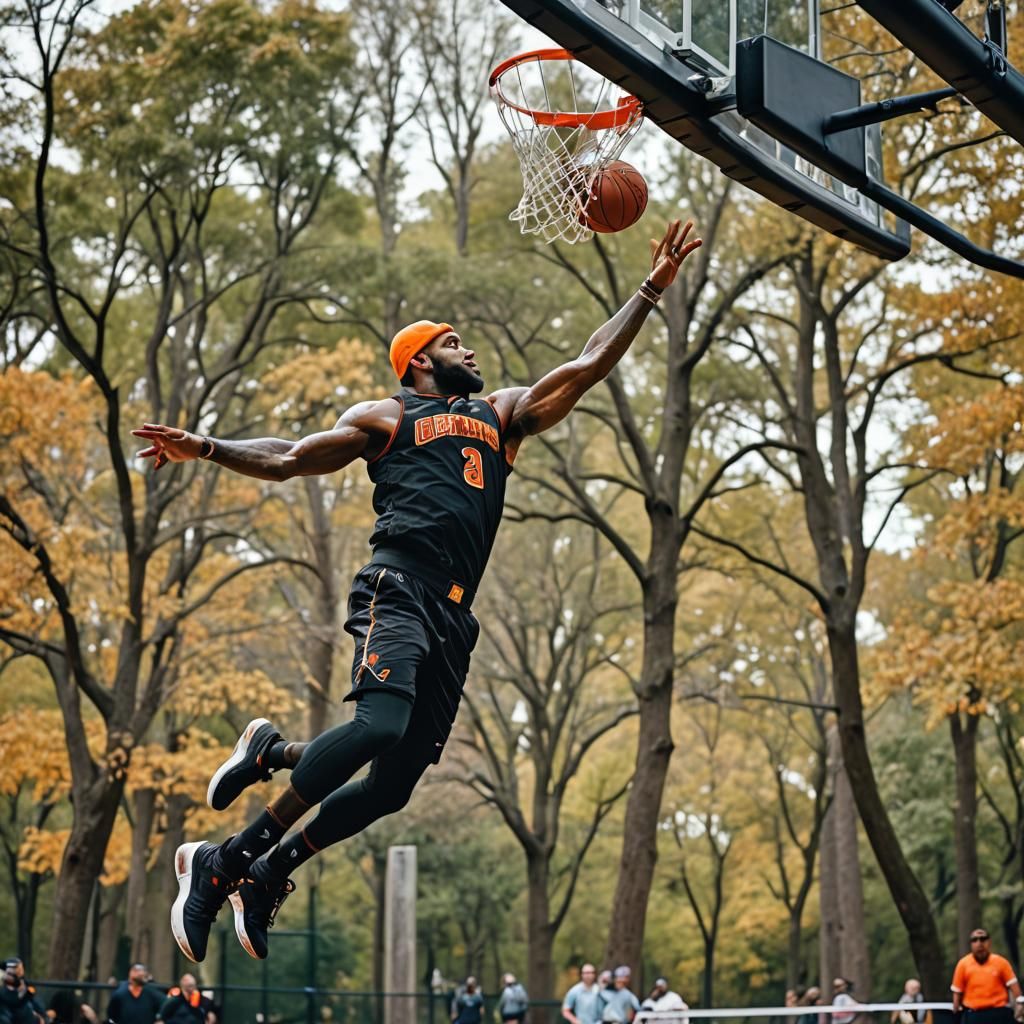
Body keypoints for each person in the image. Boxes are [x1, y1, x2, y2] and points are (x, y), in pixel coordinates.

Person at [134, 219, 703, 966]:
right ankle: (227, 860)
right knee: (377, 726)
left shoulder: (500, 417)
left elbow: (586, 365)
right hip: (397, 586)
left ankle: (270, 850)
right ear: (420, 361)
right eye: (453, 341)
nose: (468, 349)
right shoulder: (388, 417)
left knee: (394, 781)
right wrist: (209, 446)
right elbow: (290, 459)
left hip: (454, 615)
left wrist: (650, 290)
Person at [951, 928, 1024, 1024]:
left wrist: (1020, 1005)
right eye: (975, 940)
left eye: (983, 939)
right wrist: (957, 1014)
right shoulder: (963, 964)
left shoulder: (1001, 963)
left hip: (999, 1014)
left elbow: (1016, 991)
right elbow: (957, 995)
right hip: (974, 1015)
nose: (979, 943)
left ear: (989, 942)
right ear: (971, 944)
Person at [1, 959, 44, 1024]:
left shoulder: (28, 988)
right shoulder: (4, 993)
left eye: (21, 969)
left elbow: (38, 1006)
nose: (20, 973)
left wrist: (40, 1015)